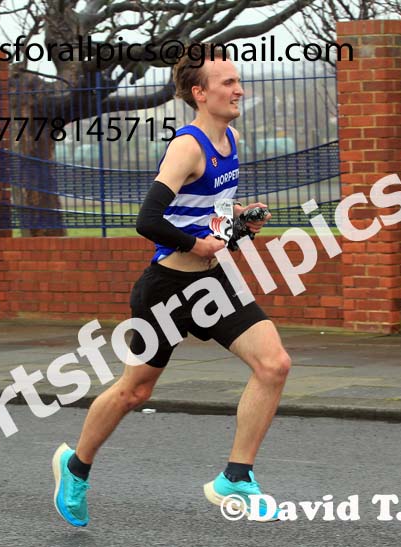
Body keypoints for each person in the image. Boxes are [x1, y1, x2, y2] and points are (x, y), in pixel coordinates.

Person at [51, 43, 292, 526]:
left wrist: (239, 218)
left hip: (213, 283)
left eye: (237, 80)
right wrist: (195, 244)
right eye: (228, 83)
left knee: (274, 364)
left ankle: (236, 476)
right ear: (200, 93)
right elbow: (147, 220)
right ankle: (74, 468)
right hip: (165, 290)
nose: (238, 89)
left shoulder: (232, 140)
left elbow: (212, 208)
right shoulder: (187, 146)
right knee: (134, 392)